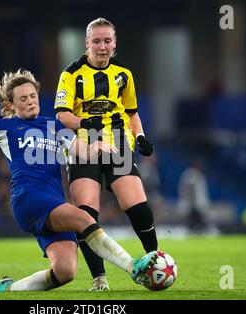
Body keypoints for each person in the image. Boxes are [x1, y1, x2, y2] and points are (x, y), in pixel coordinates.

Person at [0, 70, 153, 292]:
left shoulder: (55, 126)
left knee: (65, 272)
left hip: (54, 203)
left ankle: (4, 289)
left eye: (33, 95)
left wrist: (97, 147)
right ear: (11, 105)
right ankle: (134, 268)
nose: (31, 101)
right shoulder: (6, 127)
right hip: (29, 199)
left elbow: (83, 153)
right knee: (84, 218)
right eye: (23, 98)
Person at [54, 17, 158, 291]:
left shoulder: (124, 74)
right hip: (83, 148)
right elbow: (62, 115)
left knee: (138, 207)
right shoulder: (71, 74)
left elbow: (132, 113)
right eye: (97, 41)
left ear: (114, 44)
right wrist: (85, 123)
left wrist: (141, 137)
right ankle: (99, 278)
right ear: (87, 43)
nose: (102, 46)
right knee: (86, 214)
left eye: (107, 41)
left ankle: (155, 261)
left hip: (118, 145)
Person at [177, 160, 212, 232]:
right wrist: (190, 202)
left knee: (197, 223)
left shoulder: (198, 175)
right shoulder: (191, 175)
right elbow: (188, 188)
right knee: (194, 222)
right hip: (194, 204)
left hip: (197, 203)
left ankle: (198, 230)